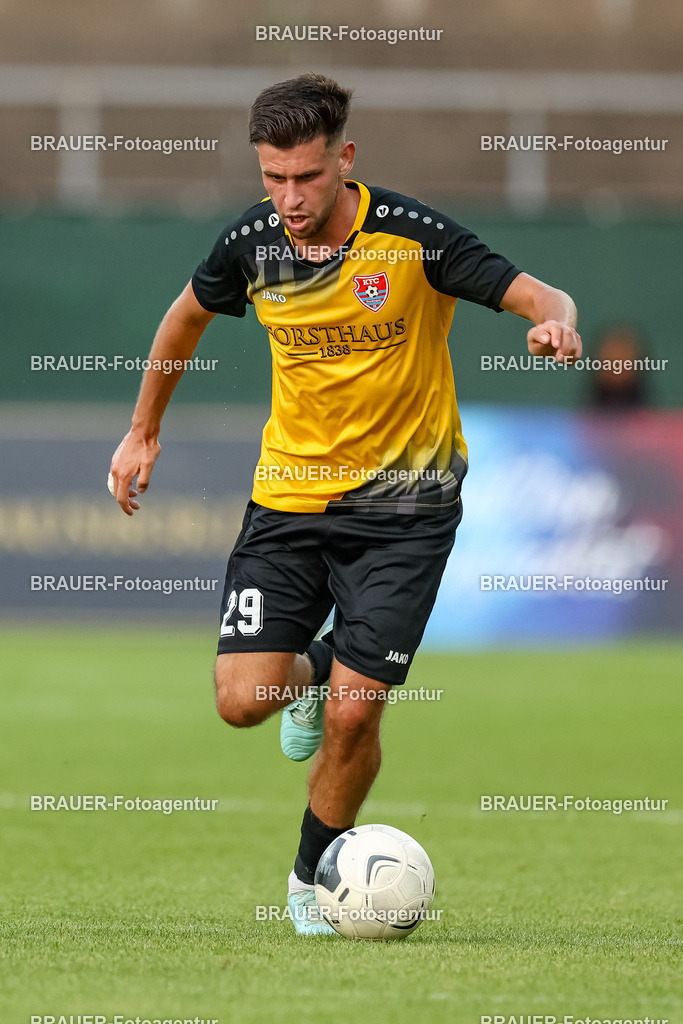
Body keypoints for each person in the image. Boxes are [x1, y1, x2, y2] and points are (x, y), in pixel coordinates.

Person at [109, 73, 581, 934]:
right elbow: (183, 320)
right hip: (287, 502)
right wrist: (141, 432)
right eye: (273, 178)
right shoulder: (252, 244)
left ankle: (306, 882)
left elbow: (537, 293)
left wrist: (553, 323)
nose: (289, 197)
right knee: (241, 701)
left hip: (407, 507)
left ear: (344, 160)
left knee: (359, 712)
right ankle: (317, 672)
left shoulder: (411, 238)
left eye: (307, 178)